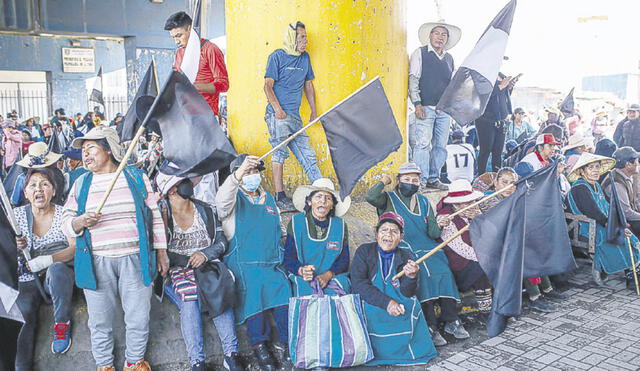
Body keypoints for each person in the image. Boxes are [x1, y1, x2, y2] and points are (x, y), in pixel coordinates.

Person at [61, 126, 169, 371]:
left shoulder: (135, 176)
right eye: (83, 151)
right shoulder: (81, 183)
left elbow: (153, 215)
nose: (85, 156)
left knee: (139, 316)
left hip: (135, 258)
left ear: (108, 150)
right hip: (96, 262)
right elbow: (65, 222)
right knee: (99, 321)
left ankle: (134, 362)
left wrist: (161, 251)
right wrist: (79, 222)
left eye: (91, 149)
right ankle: (104, 366)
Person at [365, 162, 465, 346]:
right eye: (407, 179)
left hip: (426, 245)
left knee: (443, 269)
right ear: (398, 180)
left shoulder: (424, 201)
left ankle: (451, 320)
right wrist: (383, 181)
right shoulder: (387, 198)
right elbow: (370, 197)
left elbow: (433, 234)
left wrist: (441, 223)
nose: (411, 183)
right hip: (401, 246)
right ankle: (430, 326)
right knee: (422, 273)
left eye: (415, 180)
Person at [155, 173, 242, 371]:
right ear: (171, 189)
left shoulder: (206, 209)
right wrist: (186, 260)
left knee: (218, 290)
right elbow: (157, 251)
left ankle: (231, 354)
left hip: (207, 266)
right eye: (182, 182)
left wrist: (205, 254)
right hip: (177, 270)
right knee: (190, 297)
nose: (189, 184)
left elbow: (221, 242)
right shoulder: (160, 214)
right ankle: (197, 361)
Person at [215, 154, 291, 371]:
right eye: (247, 172)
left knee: (284, 292)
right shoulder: (232, 198)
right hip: (243, 264)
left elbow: (280, 228)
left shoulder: (268, 199)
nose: (251, 176)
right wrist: (238, 174)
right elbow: (221, 204)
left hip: (271, 262)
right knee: (253, 297)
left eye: (254, 171)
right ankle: (261, 349)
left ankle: (287, 346)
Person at [351, 212, 437, 366]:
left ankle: (407, 352)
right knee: (371, 310)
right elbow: (359, 284)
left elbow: (407, 292)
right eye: (384, 230)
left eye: (394, 231)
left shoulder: (406, 255)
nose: (388, 235)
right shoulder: (364, 251)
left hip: (398, 297)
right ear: (377, 234)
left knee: (409, 306)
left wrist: (411, 277)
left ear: (401, 237)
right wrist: (387, 303)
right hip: (372, 297)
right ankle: (371, 353)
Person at [13, 168, 76, 370]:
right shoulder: (16, 217)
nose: (38, 189)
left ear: (54, 191)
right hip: (27, 279)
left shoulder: (63, 213)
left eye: (45, 184)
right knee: (23, 313)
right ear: (26, 193)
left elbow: (74, 248)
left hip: (55, 279)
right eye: (33, 185)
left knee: (58, 270)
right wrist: (13, 245)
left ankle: (61, 324)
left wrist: (46, 260)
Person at [263, 21, 322, 210]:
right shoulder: (277, 57)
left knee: (307, 154)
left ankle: (322, 191)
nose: (306, 41)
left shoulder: (305, 58)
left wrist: (313, 110)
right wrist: (278, 110)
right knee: (279, 152)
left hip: (295, 117)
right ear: (292, 38)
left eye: (305, 37)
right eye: (302, 37)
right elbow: (267, 85)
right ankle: (280, 196)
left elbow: (308, 85)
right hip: (278, 115)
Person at [566, 153, 639, 286]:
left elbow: (606, 207)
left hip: (599, 223)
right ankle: (629, 273)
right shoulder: (580, 188)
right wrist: (615, 227)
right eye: (590, 167)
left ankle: (632, 272)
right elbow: (594, 212)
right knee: (619, 237)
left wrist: (619, 224)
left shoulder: (596, 185)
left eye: (597, 167)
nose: (595, 170)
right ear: (582, 171)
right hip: (584, 227)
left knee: (628, 236)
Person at [408, 21, 461, 190]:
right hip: (425, 106)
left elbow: (452, 85)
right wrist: (417, 104)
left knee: (440, 146)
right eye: (436, 33)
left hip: (444, 109)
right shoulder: (420, 53)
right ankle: (421, 180)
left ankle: (433, 177)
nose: (440, 37)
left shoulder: (449, 58)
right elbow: (413, 80)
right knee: (422, 144)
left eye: (444, 34)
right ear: (429, 36)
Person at [285, 178, 351, 296]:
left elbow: (344, 259)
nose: (323, 201)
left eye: (328, 198)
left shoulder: (340, 225)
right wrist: (301, 271)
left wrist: (329, 274)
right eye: (318, 196)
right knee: (303, 291)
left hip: (331, 276)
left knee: (341, 286)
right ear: (309, 202)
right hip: (304, 277)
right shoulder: (296, 222)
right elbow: (289, 258)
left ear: (332, 206)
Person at [437, 180, 493, 314]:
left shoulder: (474, 210)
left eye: (472, 201)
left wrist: (478, 219)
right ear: (456, 204)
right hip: (460, 264)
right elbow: (461, 249)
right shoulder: (447, 218)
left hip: (479, 254)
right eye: (467, 202)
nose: (472, 205)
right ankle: (486, 311)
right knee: (483, 268)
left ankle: (497, 306)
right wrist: (486, 257)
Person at [165, 11, 229, 117]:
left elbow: (224, 84)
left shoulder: (210, 49)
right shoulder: (179, 53)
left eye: (179, 35)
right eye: (174, 37)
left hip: (206, 115)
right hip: (184, 113)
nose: (177, 41)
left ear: (189, 28)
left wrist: (195, 87)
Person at [602, 147, 640, 290]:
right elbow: (626, 213)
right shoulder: (617, 183)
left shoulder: (626, 177)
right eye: (636, 161)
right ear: (628, 164)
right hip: (617, 224)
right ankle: (632, 273)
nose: (638, 163)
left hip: (624, 219)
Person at [476, 73, 516, 175]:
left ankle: (497, 177)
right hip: (486, 119)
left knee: (498, 152)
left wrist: (509, 87)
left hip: (501, 120)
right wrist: (501, 86)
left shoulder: (502, 76)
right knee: (485, 150)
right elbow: (483, 96)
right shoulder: (483, 75)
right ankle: (481, 176)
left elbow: (502, 97)